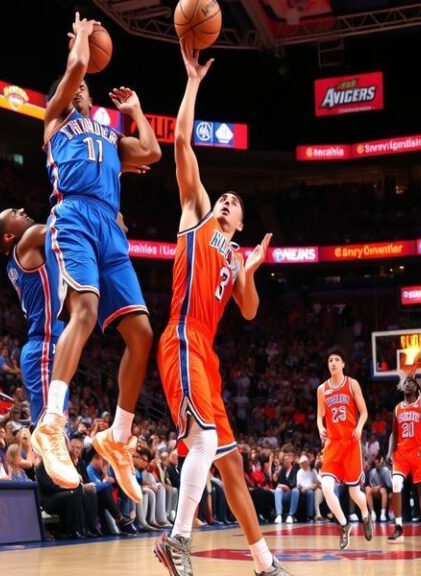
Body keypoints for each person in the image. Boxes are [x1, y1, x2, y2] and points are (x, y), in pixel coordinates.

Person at [153, 45, 283, 576]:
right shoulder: (197, 215)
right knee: (203, 440)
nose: (226, 201)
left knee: (231, 466)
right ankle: (177, 539)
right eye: (223, 197)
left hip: (207, 353)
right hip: (181, 337)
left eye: (234, 202)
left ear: (242, 221)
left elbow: (249, 312)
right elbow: (182, 141)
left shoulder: (233, 256)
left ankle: (264, 561)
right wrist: (192, 82)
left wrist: (249, 271)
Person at [33, 11, 161, 500]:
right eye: (78, 87)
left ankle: (118, 437)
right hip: (74, 219)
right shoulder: (55, 119)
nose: (83, 91)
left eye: (86, 89)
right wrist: (82, 42)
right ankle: (52, 421)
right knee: (83, 311)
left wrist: (137, 110)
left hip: (111, 227)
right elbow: (73, 74)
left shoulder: (108, 137)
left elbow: (150, 152)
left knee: (142, 333)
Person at [0, 208, 65, 428]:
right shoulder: (27, 241)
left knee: (56, 431)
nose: (22, 210)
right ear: (9, 236)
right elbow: (62, 225)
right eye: (14, 214)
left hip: (51, 347)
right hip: (43, 346)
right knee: (47, 431)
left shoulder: (19, 257)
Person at [316, 347, 373, 550]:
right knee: (326, 486)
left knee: (354, 493)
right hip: (332, 444)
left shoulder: (352, 384)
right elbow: (319, 416)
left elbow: (364, 412)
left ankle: (366, 515)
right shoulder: (322, 389)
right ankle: (344, 524)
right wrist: (321, 427)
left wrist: (358, 427)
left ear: (343, 364)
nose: (332, 362)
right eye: (330, 359)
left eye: (336, 359)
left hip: (350, 444)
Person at [387, 376, 421, 542]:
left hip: (418, 453)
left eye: (411, 383)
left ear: (416, 388)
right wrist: (389, 453)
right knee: (396, 484)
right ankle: (399, 526)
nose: (408, 385)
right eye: (405, 382)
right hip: (401, 454)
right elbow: (394, 433)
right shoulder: (397, 408)